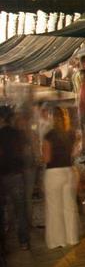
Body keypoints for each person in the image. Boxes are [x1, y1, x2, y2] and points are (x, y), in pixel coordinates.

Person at [42, 107, 80, 249]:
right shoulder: (71, 133)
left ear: (53, 118)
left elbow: (46, 158)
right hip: (68, 172)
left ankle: (57, 241)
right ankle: (72, 238)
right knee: (69, 207)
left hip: (54, 174)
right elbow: (74, 153)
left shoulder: (49, 136)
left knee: (54, 208)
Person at [0, 106, 30, 251]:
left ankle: (3, 244)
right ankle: (23, 241)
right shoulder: (17, 134)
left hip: (3, 175)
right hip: (17, 174)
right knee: (20, 210)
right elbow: (23, 152)